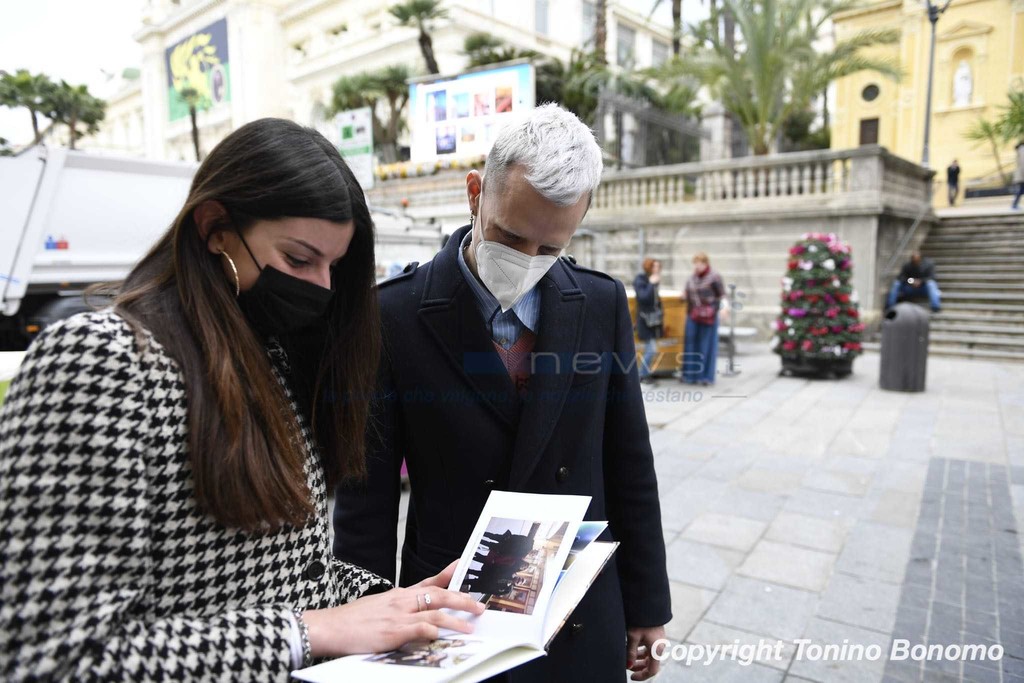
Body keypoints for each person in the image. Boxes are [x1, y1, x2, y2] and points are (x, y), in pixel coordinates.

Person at [0, 119, 484, 682]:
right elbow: (51, 656)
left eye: (334, 266)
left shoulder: (273, 356)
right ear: (215, 228)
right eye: (298, 259)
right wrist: (309, 632)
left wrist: (401, 604)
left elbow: (282, 576)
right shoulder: (98, 362)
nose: (323, 288)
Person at [333, 104, 671, 683]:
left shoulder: (600, 304)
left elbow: (629, 463)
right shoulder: (394, 314)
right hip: (452, 607)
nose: (526, 261)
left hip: (577, 610)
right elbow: (367, 500)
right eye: (511, 238)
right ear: (475, 194)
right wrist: (362, 625)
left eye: (550, 249)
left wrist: (647, 605)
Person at [682, 252, 724, 386]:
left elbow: (722, 295)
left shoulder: (714, 276)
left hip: (709, 315)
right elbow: (687, 293)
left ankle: (705, 377)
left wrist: (723, 309)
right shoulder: (691, 278)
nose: (697, 266)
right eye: (695, 263)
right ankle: (690, 375)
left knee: (706, 346)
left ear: (706, 263)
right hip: (693, 314)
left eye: (700, 263)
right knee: (690, 345)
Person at [634, 258, 664, 384]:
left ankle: (644, 374)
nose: (658, 269)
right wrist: (651, 284)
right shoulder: (640, 279)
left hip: (653, 322)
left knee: (651, 349)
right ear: (649, 267)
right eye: (655, 267)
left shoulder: (653, 280)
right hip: (645, 321)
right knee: (651, 349)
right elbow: (643, 297)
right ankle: (642, 374)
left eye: (658, 267)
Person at [1013, 141, 1024, 210]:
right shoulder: (1022, 150)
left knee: (1021, 190)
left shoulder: (1020, 150)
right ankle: (1014, 205)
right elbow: (1023, 163)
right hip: (1022, 175)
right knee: (1020, 190)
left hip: (1020, 175)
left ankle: (1014, 205)